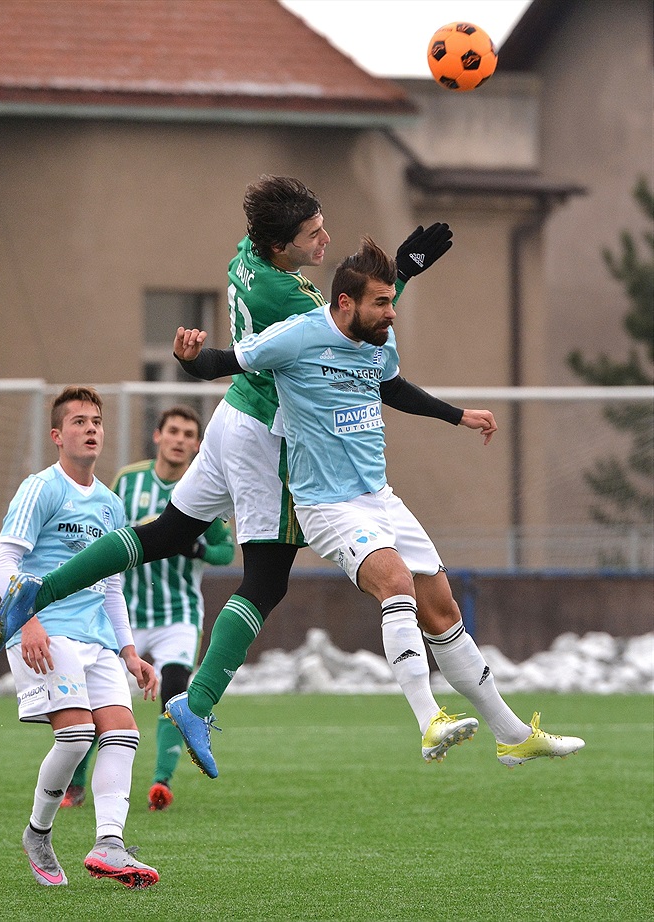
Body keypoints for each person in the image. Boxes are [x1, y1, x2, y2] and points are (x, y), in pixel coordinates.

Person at [0, 177, 469, 777]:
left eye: (321, 226)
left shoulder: (246, 255)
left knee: (163, 533)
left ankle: (39, 590)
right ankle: (198, 703)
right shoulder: (291, 301)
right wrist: (402, 270)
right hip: (266, 433)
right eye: (311, 234)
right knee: (265, 581)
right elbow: (349, 329)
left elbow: (335, 311)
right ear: (277, 246)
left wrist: (396, 268)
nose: (325, 240)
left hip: (233, 417)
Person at [166, 236, 585, 775]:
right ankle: (429, 718)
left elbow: (394, 389)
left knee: (444, 611)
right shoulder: (296, 336)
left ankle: (510, 735)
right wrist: (187, 359)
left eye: (392, 300)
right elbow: (227, 361)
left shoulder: (379, 340)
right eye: (382, 303)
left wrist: (460, 416)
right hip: (326, 505)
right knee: (395, 584)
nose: (391, 313)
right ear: (344, 304)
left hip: (381, 498)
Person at [0, 386, 160, 889]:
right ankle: (38, 832)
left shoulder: (109, 504)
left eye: (97, 421)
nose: (91, 429)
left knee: (123, 734)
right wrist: (28, 621)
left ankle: (109, 844)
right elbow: (3, 561)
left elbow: (110, 585)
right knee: (77, 735)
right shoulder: (40, 488)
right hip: (44, 632)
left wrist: (129, 650)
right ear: (58, 436)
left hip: (96, 639)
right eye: (80, 421)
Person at [60, 405, 234, 811]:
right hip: (126, 616)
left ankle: (161, 782)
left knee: (174, 693)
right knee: (99, 698)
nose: (180, 440)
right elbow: (106, 529)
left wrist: (198, 546)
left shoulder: (204, 485)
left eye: (189, 435)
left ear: (196, 445)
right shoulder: (129, 481)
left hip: (179, 614)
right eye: (173, 431)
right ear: (158, 436)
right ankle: (75, 785)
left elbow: (227, 552)